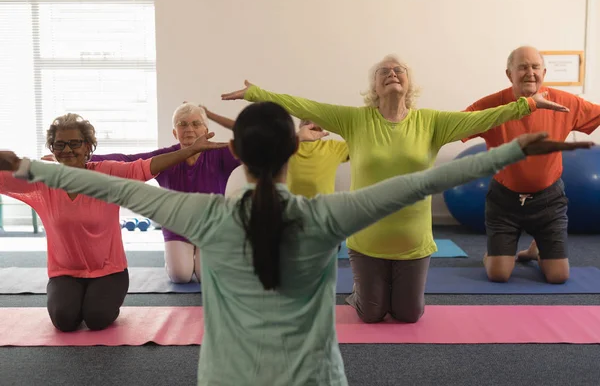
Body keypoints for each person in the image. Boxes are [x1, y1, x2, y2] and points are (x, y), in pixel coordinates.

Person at [0, 102, 590, 385]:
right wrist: (516, 150)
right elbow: (425, 181)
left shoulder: (201, 216)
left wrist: (28, 166)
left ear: (237, 154)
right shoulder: (328, 215)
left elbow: (92, 180)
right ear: (294, 154)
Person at [220, 54, 570, 324]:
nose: (392, 73)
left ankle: (384, 287)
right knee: (371, 314)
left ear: (409, 83)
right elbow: (302, 106)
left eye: (399, 70)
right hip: (367, 239)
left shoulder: (431, 122)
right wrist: (255, 94)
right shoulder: (354, 120)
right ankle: (361, 292)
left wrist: (527, 103)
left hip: (413, 242)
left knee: (408, 315)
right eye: (384, 71)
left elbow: (481, 119)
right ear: (373, 87)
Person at [0, 113, 227, 332]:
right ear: (52, 149)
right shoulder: (42, 180)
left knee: (97, 319)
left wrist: (190, 150)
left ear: (88, 146)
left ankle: (98, 300)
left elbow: (144, 167)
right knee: (64, 321)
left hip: (109, 271)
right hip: (65, 273)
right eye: (59, 145)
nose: (67, 150)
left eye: (74, 143)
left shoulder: (107, 173)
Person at [87, 103, 327, 284]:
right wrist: (83, 160)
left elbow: (259, 144)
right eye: (182, 124)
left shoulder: (220, 153)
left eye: (195, 124)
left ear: (205, 129)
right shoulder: (166, 158)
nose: (189, 129)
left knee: (206, 277)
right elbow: (126, 161)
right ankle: (183, 255)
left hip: (211, 226)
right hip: (177, 228)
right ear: (174, 132)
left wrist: (298, 137)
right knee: (180, 276)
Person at [463, 45, 600, 284]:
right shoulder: (491, 104)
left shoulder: (564, 102)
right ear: (509, 74)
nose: (530, 72)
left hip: (548, 201)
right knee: (498, 274)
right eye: (522, 67)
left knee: (559, 276)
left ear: (544, 72)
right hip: (504, 202)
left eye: (535, 67)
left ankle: (536, 249)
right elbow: (455, 127)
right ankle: (494, 255)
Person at [203, 106, 349, 198]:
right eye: (307, 120)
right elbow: (246, 128)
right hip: (285, 210)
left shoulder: (333, 147)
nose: (312, 124)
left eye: (317, 120)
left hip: (320, 214)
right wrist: (209, 114)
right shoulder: (286, 142)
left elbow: (365, 146)